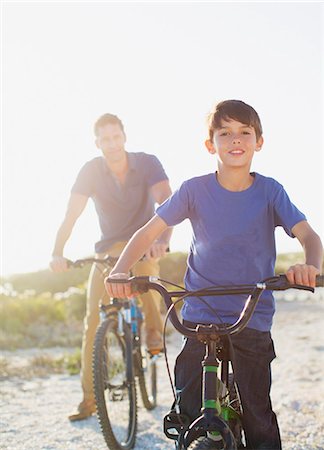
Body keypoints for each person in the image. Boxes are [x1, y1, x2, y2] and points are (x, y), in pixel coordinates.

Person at [105, 100, 323, 450]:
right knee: (188, 403)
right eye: (225, 133)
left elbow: (310, 236)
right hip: (200, 313)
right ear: (211, 145)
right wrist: (120, 270)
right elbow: (148, 231)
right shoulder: (194, 190)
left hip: (250, 315)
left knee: (257, 413)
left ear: (259, 141)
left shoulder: (270, 191)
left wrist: (309, 265)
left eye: (244, 132)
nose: (235, 140)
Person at [50, 113, 172, 421]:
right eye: (105, 139)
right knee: (94, 320)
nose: (112, 144)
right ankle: (89, 398)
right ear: (97, 143)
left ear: (124, 137)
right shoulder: (91, 171)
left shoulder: (147, 163)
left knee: (148, 282)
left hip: (143, 244)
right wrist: (57, 252)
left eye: (116, 137)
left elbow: (167, 201)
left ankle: (154, 334)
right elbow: (72, 213)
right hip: (107, 251)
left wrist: (163, 239)